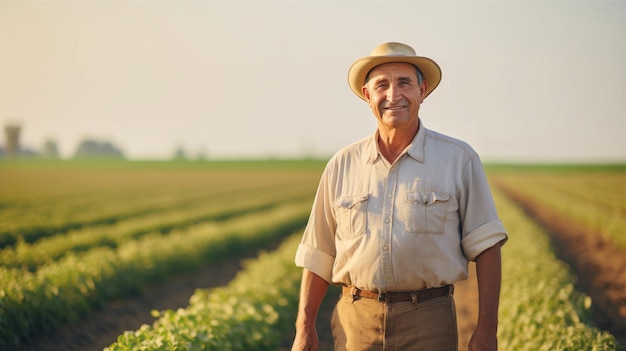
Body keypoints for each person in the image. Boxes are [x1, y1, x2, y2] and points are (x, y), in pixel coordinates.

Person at [291, 42, 508, 351]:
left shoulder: (458, 159)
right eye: (382, 85)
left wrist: (487, 330)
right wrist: (304, 328)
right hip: (356, 323)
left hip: (429, 321)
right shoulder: (343, 164)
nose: (393, 95)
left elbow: (487, 246)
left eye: (404, 83)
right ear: (368, 96)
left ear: (422, 90)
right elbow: (318, 252)